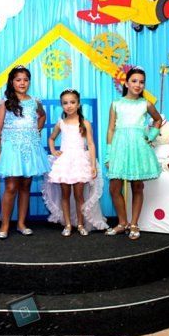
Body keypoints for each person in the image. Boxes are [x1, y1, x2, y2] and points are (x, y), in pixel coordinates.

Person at [0, 65, 51, 239]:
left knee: (25, 185)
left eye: (25, 80)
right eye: (18, 80)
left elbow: (42, 116)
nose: (22, 83)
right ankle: (5, 225)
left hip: (30, 148)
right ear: (11, 82)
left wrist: (37, 130)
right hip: (11, 149)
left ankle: (21, 223)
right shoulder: (5, 102)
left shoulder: (34, 101)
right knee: (10, 186)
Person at [105, 66, 162, 240]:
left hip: (138, 148)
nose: (138, 85)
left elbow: (158, 119)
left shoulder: (146, 104)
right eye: (134, 81)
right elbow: (111, 129)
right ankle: (122, 222)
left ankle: (134, 223)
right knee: (114, 188)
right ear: (126, 83)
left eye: (141, 82)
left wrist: (151, 135)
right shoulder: (116, 104)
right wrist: (108, 154)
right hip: (119, 148)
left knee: (137, 186)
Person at [43, 89, 107, 236]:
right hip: (65, 162)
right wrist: (53, 150)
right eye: (65, 103)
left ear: (78, 104)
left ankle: (80, 224)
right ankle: (67, 224)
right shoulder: (61, 123)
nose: (69, 106)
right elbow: (51, 138)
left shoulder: (84, 123)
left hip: (79, 162)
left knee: (79, 195)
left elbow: (91, 144)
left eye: (72, 102)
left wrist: (92, 165)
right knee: (65, 195)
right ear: (61, 105)